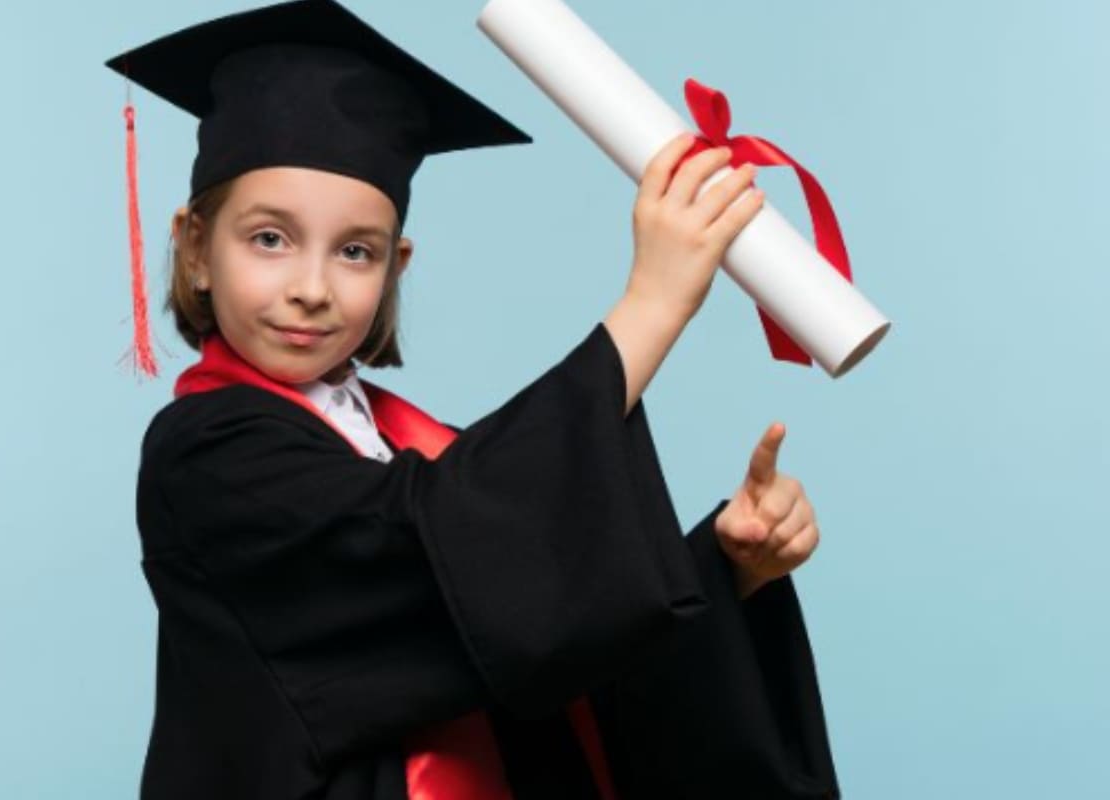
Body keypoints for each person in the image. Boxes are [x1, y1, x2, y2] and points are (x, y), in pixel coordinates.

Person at [110, 1, 840, 797]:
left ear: (396, 267)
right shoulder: (206, 457)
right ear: (194, 246)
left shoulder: (418, 448)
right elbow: (433, 547)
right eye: (269, 239)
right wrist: (652, 305)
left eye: (356, 252)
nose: (311, 288)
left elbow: (544, 629)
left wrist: (730, 570)